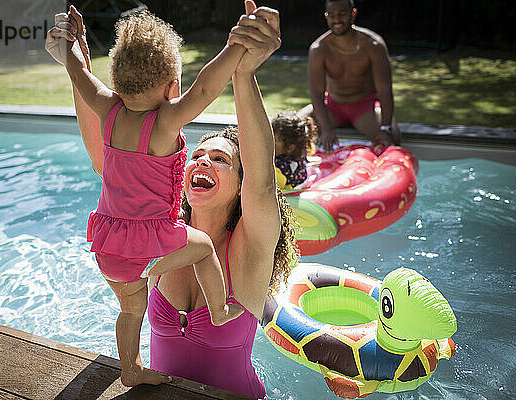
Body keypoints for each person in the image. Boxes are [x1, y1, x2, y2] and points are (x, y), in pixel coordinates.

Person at [48, 2, 298, 397]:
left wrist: (244, 73)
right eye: (197, 155)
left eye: (221, 159)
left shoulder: (250, 251)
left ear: (240, 184)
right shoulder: (157, 241)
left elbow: (263, 184)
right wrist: (76, 48)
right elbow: (107, 157)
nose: (203, 162)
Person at [298, 0, 401, 152]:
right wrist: (326, 130)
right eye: (332, 15)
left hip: (365, 108)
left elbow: (385, 90)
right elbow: (316, 94)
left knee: (393, 137)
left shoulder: (373, 45)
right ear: (326, 16)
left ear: (353, 14)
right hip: (332, 107)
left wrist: (385, 128)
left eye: (342, 14)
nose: (337, 20)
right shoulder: (319, 49)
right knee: (293, 127)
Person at [272, 111, 318, 189]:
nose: (268, 141)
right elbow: (311, 149)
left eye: (274, 140)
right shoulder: (301, 152)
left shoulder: (280, 166)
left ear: (290, 148)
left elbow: (276, 184)